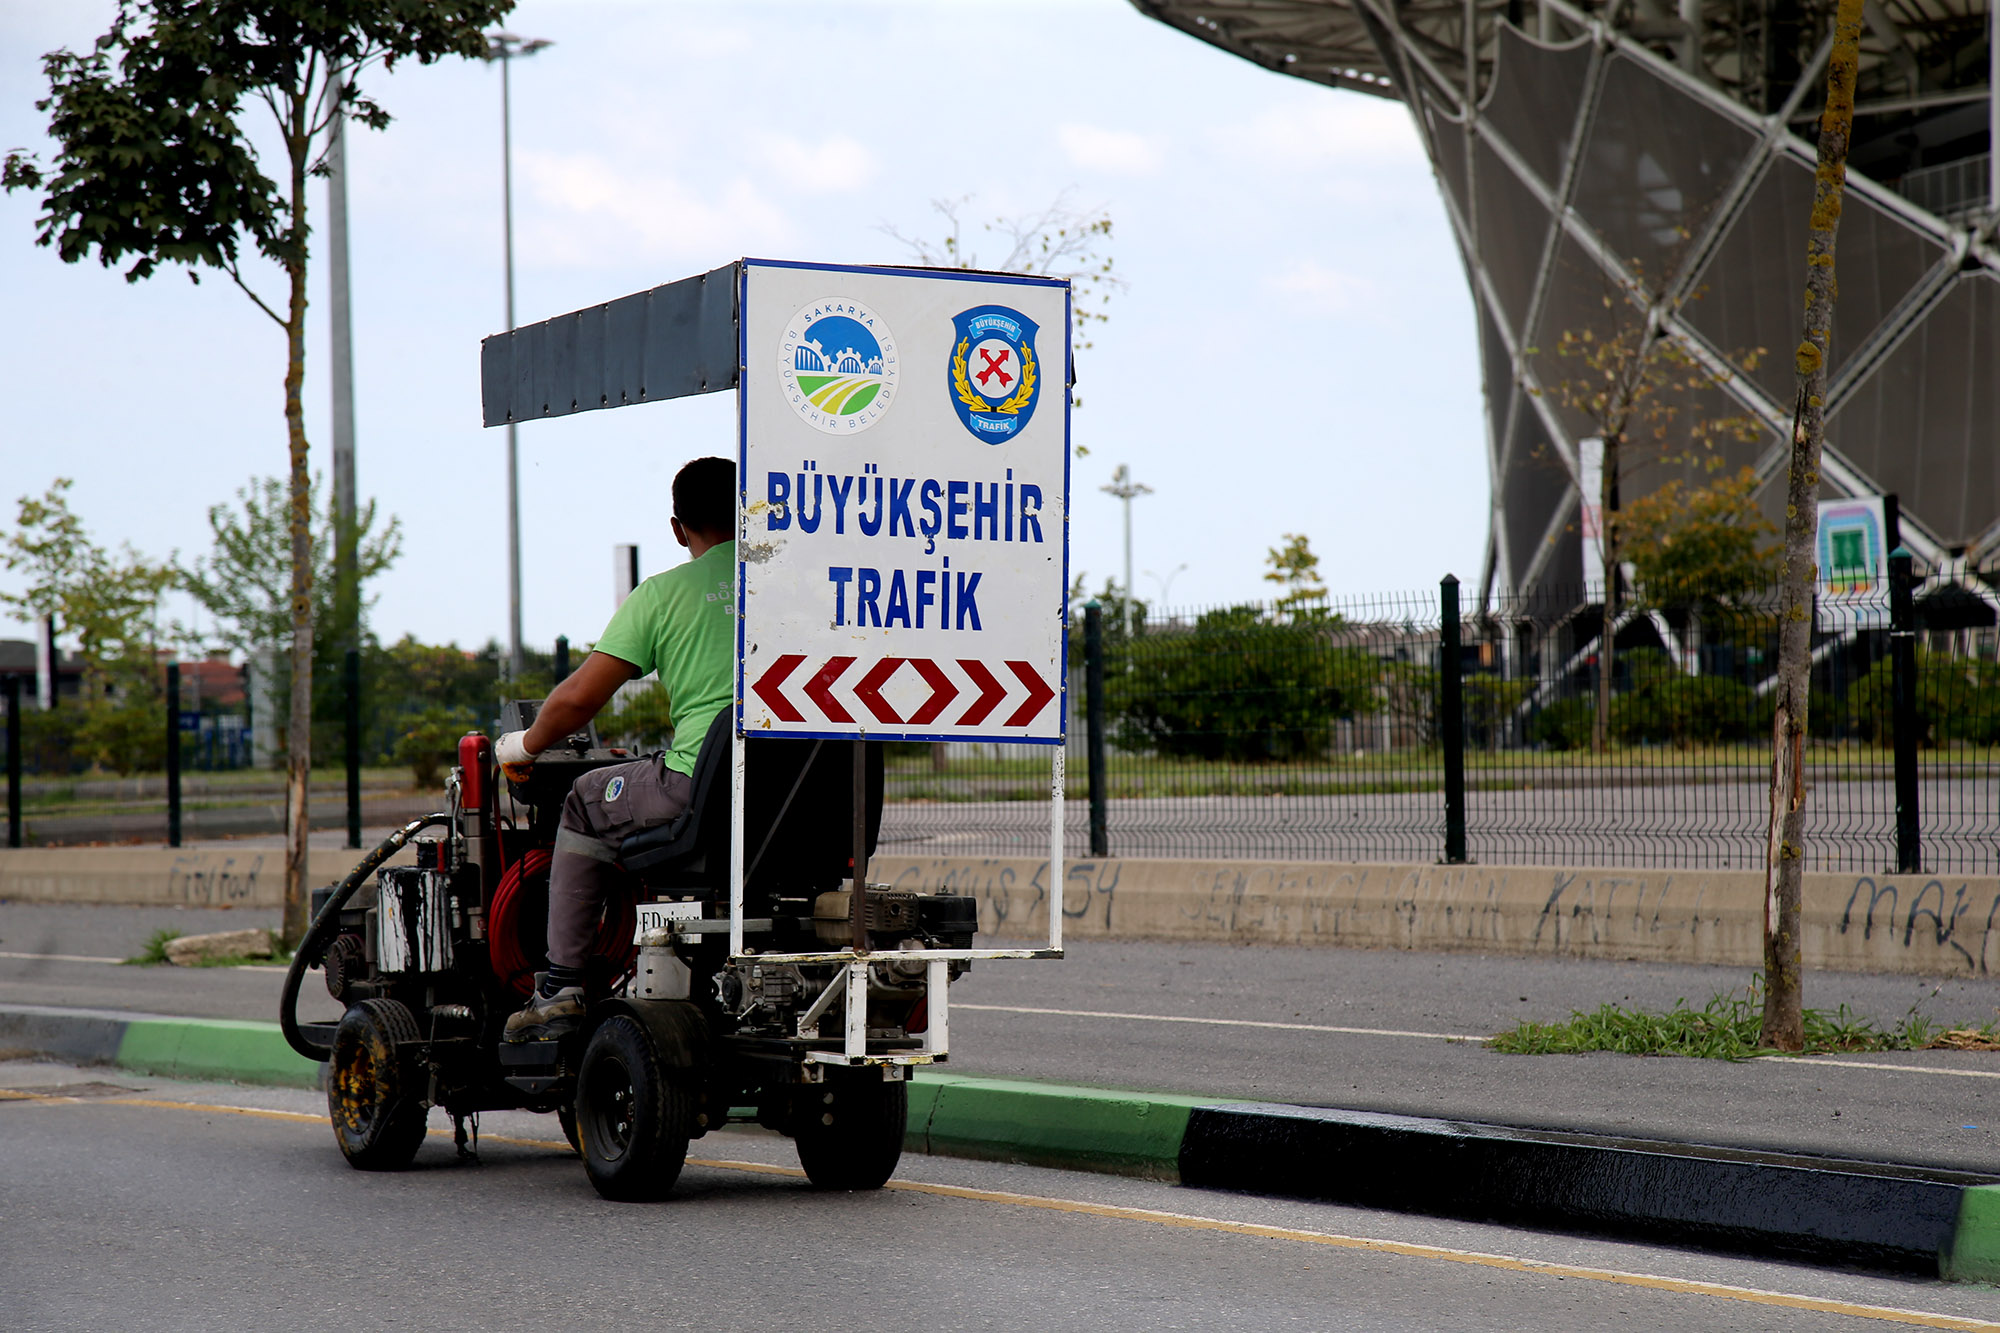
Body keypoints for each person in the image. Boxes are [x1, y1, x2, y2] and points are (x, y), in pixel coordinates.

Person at [497, 456, 736, 1041]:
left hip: (701, 787)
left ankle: (562, 985)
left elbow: (578, 702)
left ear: (678, 528)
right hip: (805, 794)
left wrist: (523, 745)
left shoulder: (663, 595)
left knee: (584, 798)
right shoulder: (802, 584)